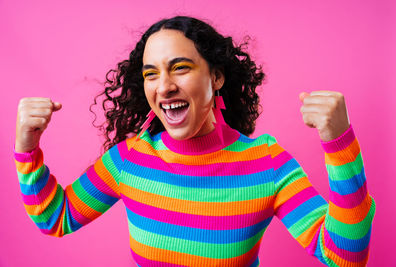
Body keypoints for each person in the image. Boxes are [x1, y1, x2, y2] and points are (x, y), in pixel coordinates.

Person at [14, 16, 375, 267]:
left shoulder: (268, 164)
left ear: (216, 77)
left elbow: (344, 256)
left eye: (181, 67)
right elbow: (55, 217)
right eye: (151, 73)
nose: (164, 85)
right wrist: (26, 147)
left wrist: (340, 144)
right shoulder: (130, 159)